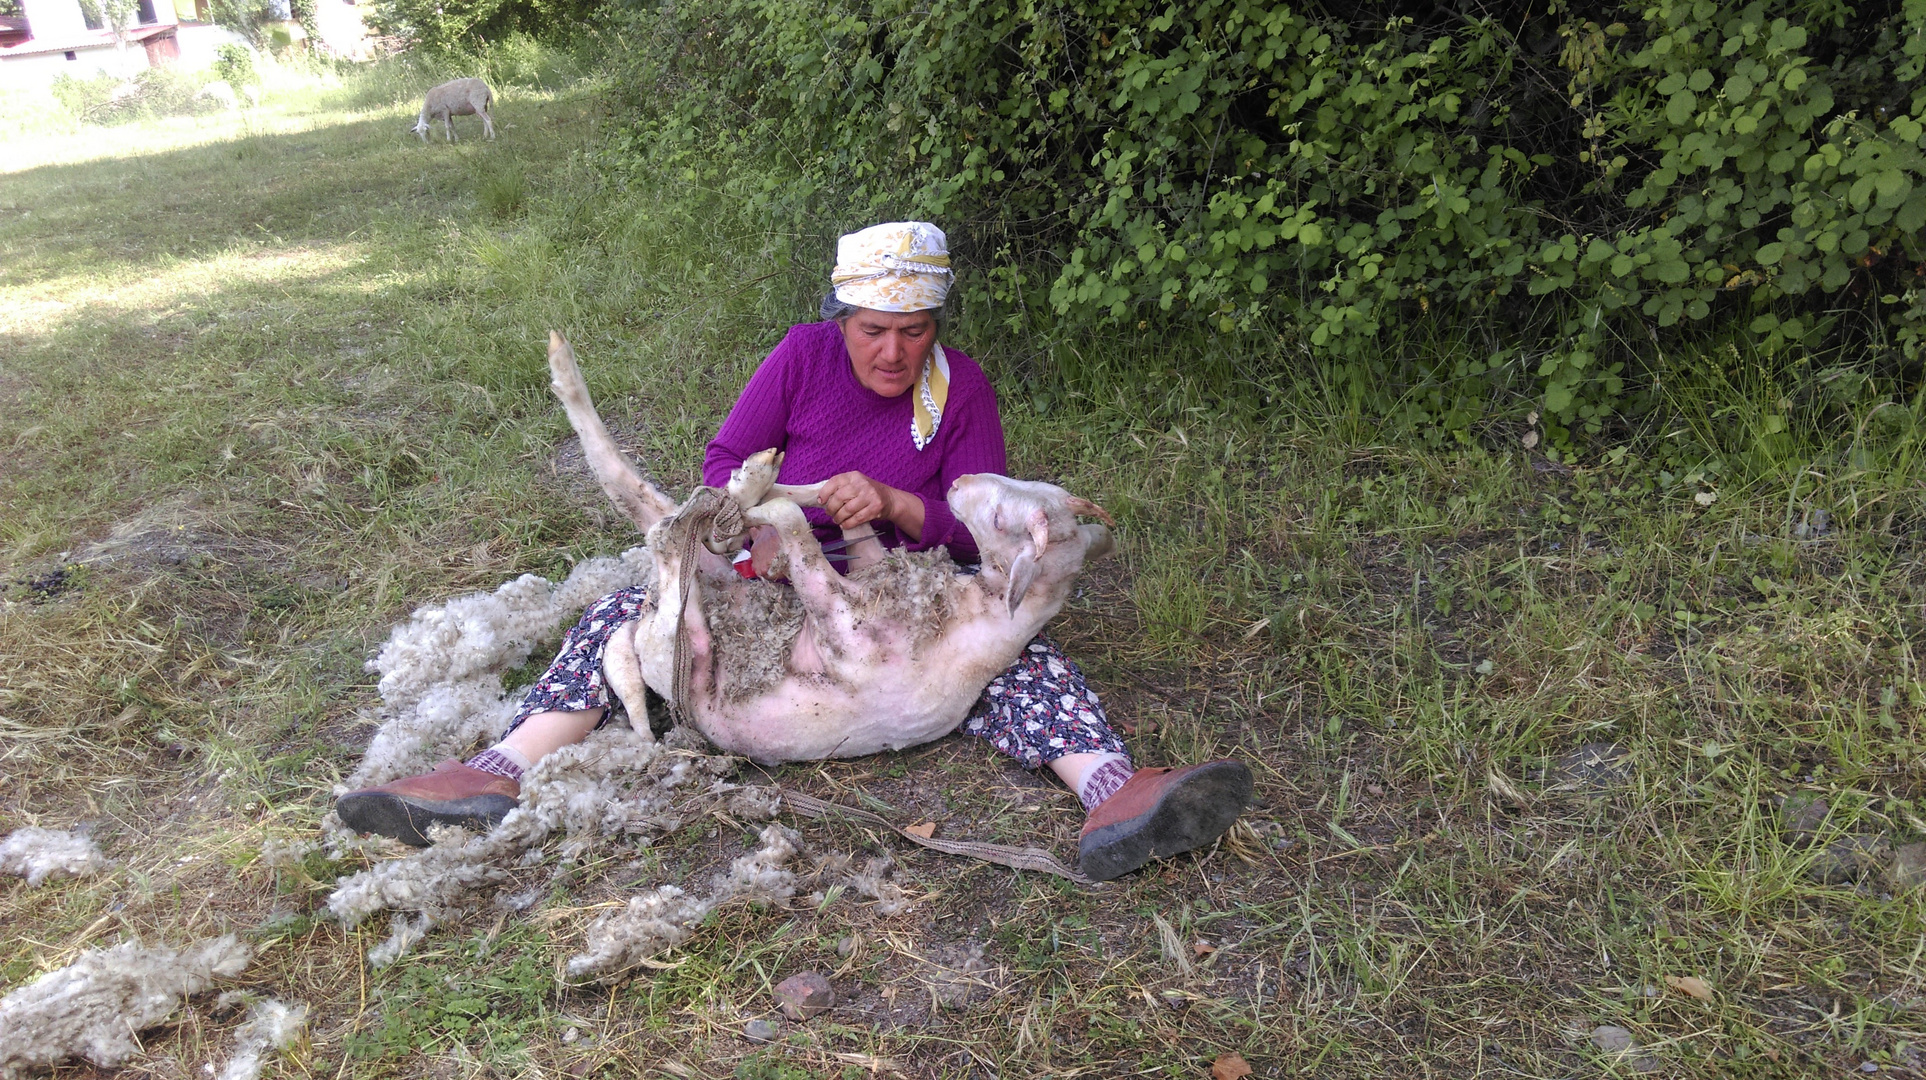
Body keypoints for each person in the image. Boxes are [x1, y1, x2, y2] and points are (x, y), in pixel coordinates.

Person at [337, 222, 1252, 881]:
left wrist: (899, 503)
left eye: (915, 331)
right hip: (770, 574)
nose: (893, 353)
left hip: (907, 592)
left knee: (1015, 650)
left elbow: (983, 540)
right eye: (872, 331)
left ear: (937, 325)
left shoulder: (959, 388)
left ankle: (1111, 791)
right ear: (840, 318)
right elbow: (726, 464)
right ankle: (498, 772)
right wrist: (749, 547)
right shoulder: (801, 359)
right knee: (625, 618)